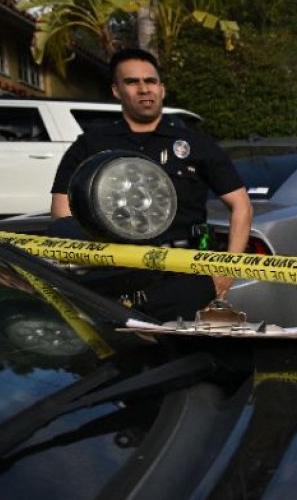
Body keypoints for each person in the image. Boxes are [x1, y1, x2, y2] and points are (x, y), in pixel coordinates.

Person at [50, 48, 253, 321]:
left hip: (186, 276)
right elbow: (63, 213)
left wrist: (227, 270)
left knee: (188, 359)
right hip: (113, 279)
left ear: (162, 88)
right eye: (132, 82)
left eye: (151, 81)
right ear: (116, 90)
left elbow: (241, 206)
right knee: (125, 361)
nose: (144, 89)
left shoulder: (195, 143)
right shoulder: (91, 145)